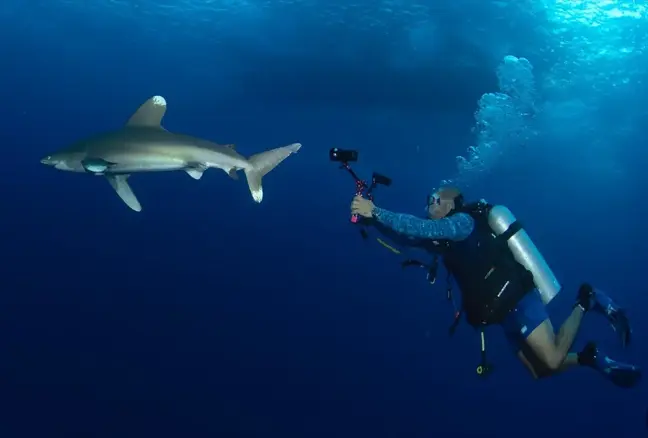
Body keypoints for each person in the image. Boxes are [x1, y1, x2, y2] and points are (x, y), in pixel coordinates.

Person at [350, 187, 641, 387]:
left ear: (451, 203)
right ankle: (589, 358)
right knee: (538, 372)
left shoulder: (462, 222)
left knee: (551, 361)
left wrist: (375, 211)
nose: (429, 204)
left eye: (435, 199)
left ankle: (586, 300)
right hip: (502, 313)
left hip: (519, 298)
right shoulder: (443, 239)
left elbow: (421, 228)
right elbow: (408, 237)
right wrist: (370, 221)